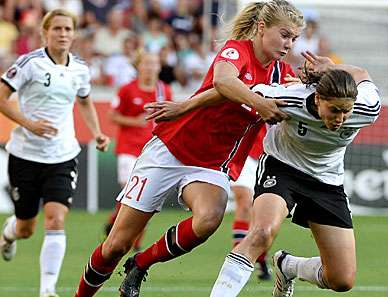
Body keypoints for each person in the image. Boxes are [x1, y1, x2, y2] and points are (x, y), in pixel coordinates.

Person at [73, 1, 304, 297]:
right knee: (115, 245)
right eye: (284, 35)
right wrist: (258, 103)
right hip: (171, 150)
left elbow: (303, 92)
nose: (289, 44)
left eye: (294, 39)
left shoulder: (281, 75)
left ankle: (141, 264)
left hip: (212, 164)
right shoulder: (237, 50)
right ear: (261, 28)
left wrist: (321, 76)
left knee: (209, 218)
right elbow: (222, 82)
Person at [209, 52, 381, 297]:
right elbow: (231, 89)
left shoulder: (368, 108)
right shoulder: (287, 98)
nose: (341, 119)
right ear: (318, 98)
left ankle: (287, 266)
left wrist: (333, 68)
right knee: (262, 233)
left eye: (346, 111)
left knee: (341, 280)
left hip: (327, 182)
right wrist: (184, 106)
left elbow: (362, 75)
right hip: (282, 168)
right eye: (334, 110)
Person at [0, 9, 110, 297]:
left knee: (56, 219)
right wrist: (29, 124)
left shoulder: (81, 69)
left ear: (74, 34)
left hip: (63, 155)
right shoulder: (29, 64)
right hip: (25, 154)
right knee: (26, 227)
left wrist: (97, 132)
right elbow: (1, 97)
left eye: (67, 29)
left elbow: (85, 101)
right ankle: (8, 234)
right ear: (44, 33)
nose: (63, 34)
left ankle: (47, 290)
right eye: (57, 29)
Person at [103, 51, 173, 251]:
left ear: (159, 67)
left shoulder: (164, 90)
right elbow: (112, 115)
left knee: (144, 196)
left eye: (154, 63)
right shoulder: (127, 90)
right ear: (138, 66)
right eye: (147, 63)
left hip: (151, 151)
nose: (151, 67)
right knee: (130, 191)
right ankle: (117, 224)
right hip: (128, 147)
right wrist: (133, 121)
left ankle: (134, 241)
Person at [230, 126, 272, 281]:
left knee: (262, 211)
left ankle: (260, 259)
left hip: (269, 154)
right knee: (245, 202)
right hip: (243, 151)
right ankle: (236, 263)